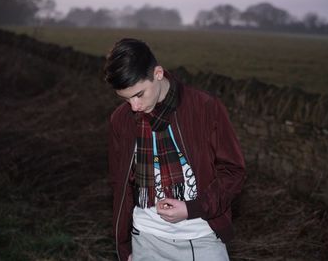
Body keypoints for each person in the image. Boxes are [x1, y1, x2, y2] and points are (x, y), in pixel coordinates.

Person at [105, 38, 246, 261]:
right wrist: (125, 248)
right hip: (145, 239)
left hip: (202, 237)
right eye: (125, 98)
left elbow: (233, 172)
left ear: (158, 74)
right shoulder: (120, 120)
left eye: (139, 94)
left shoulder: (205, 108)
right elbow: (120, 186)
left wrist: (193, 208)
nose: (134, 106)